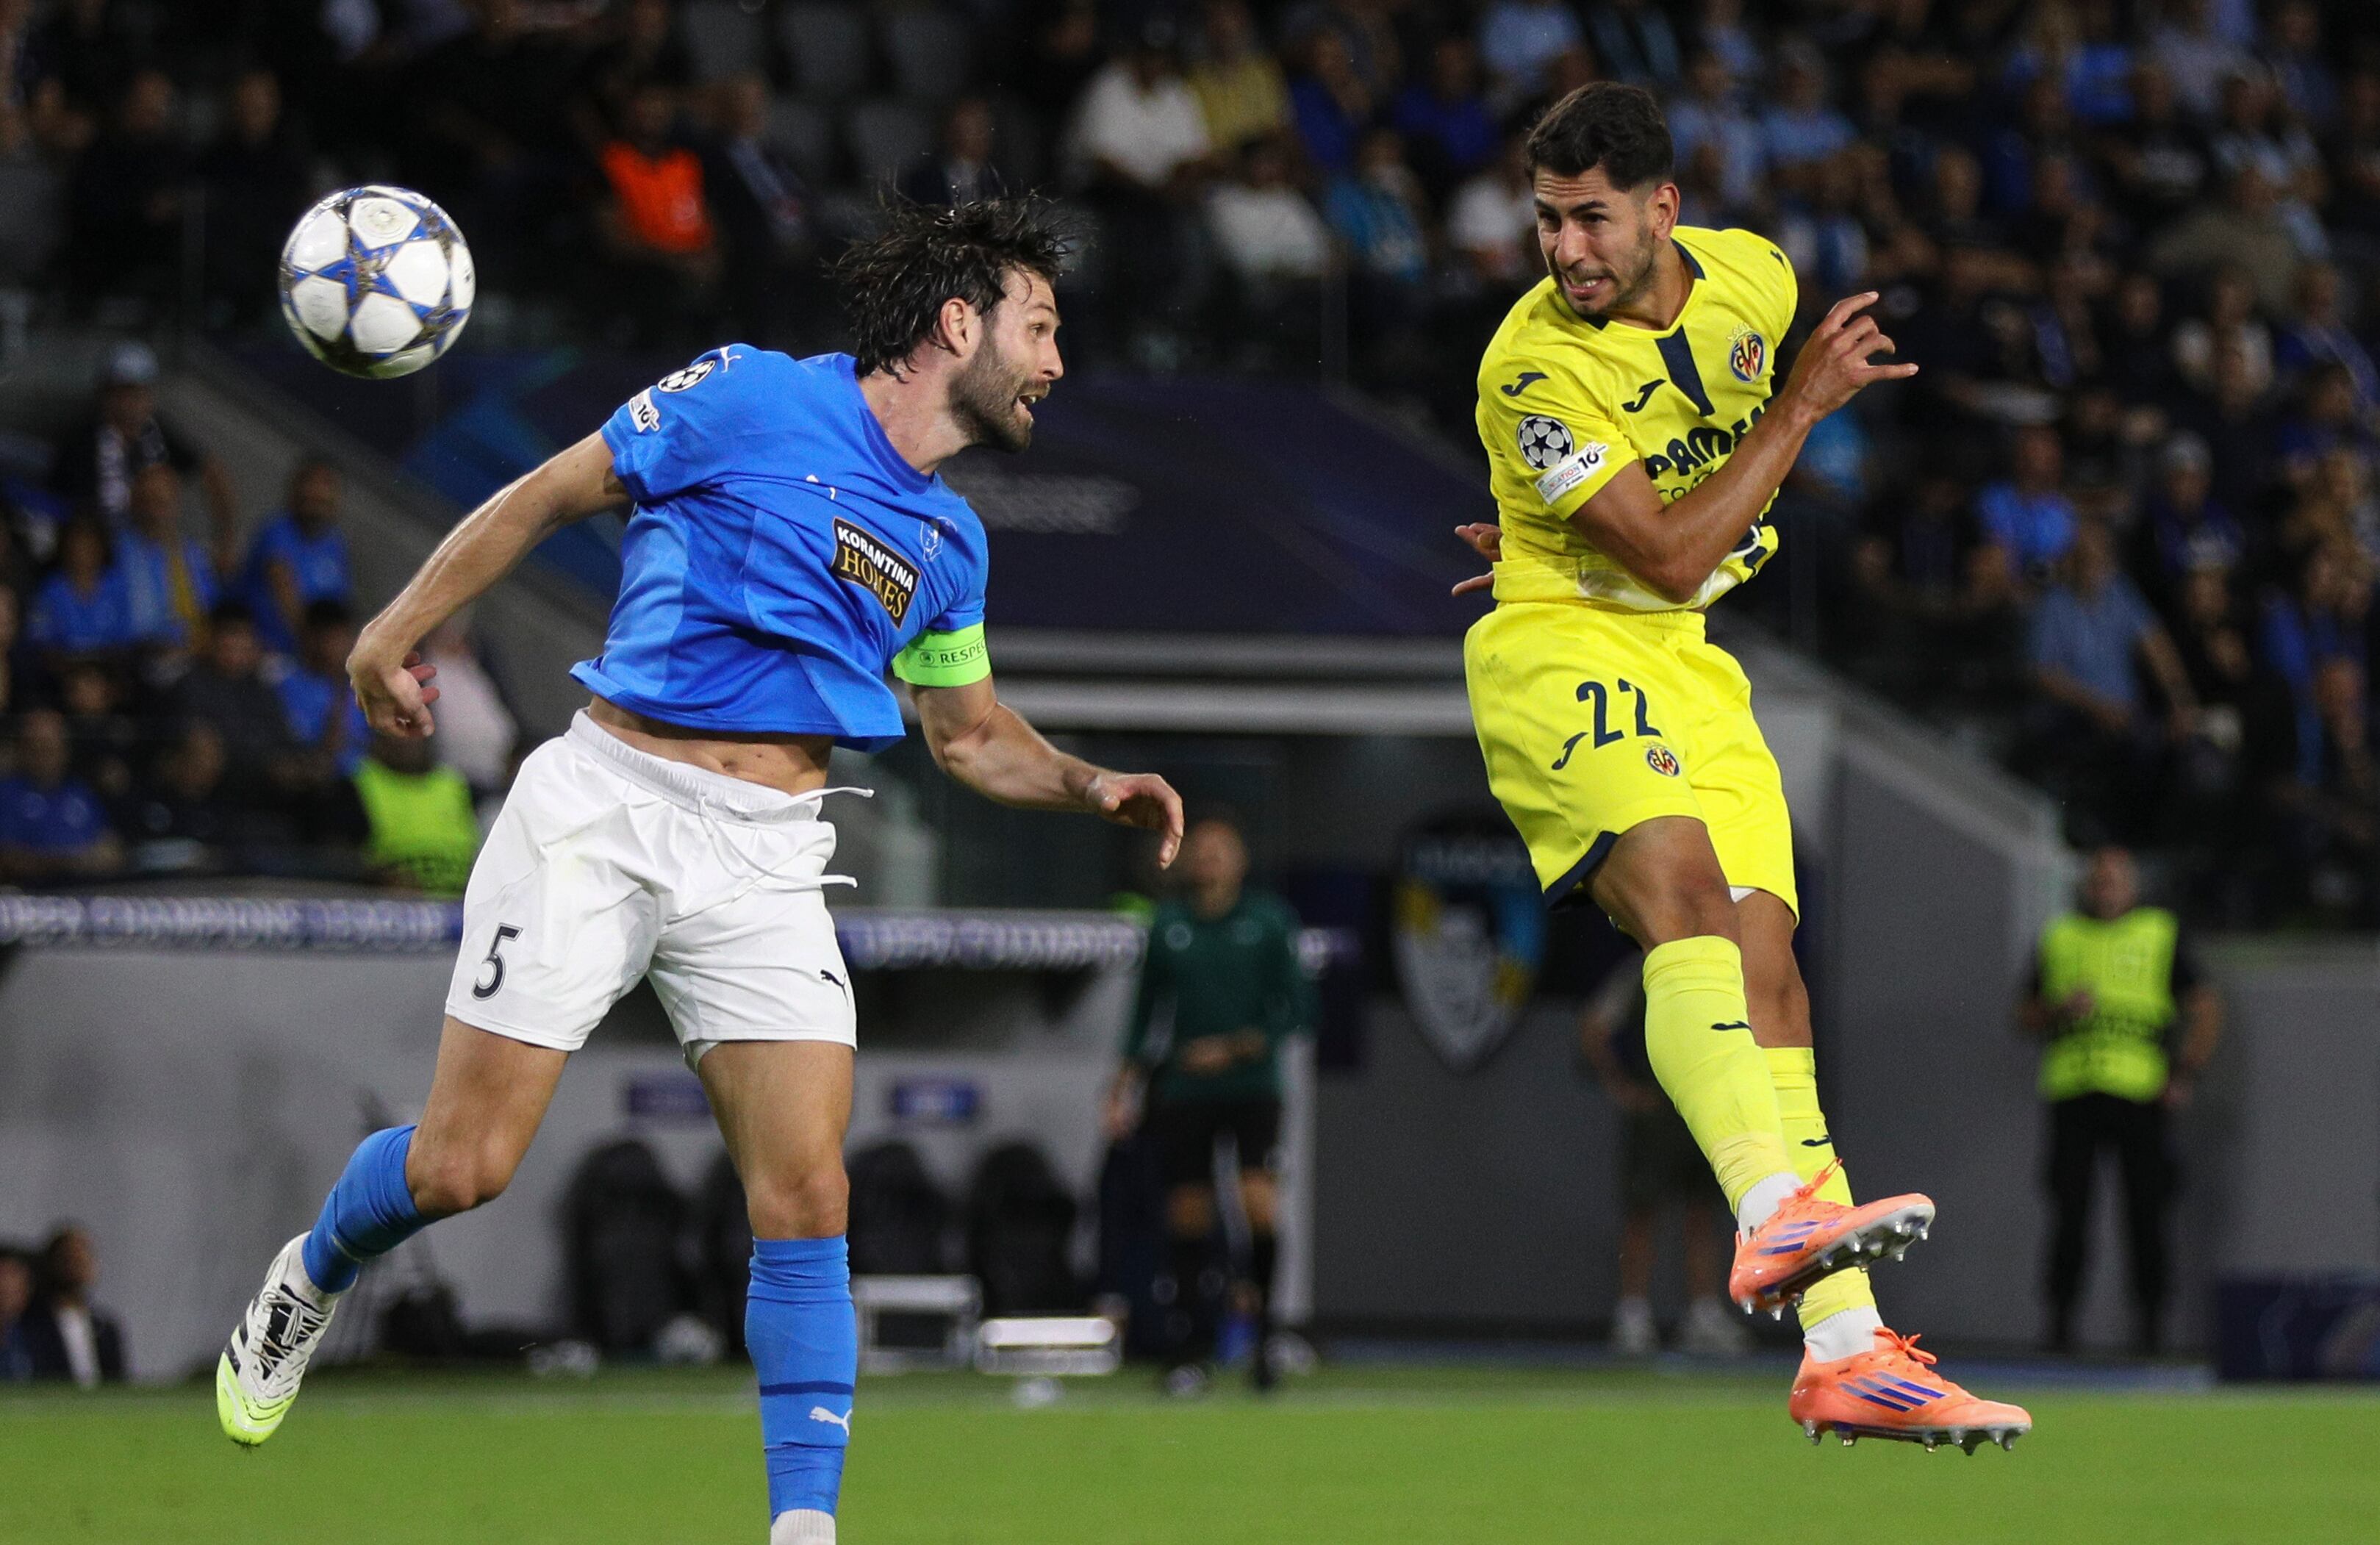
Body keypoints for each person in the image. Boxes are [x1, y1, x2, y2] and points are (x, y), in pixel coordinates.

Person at [213, 199, 1184, 1545]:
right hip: (604, 805)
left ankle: (803, 1529)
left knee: (809, 1193)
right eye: (1040, 326)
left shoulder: (950, 542)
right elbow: (550, 491)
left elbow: (964, 735)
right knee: (460, 1169)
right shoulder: (744, 395)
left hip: (773, 851)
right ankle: (310, 1274)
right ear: (958, 324)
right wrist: (393, 630)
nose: (1055, 361)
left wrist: (1086, 782)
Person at [1450, 83, 2029, 1449]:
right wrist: (1802, 412)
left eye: (1590, 217)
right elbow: (1662, 546)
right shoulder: (1526, 365)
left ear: (1664, 207)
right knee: (1683, 894)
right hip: (1558, 642)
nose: (1564, 249)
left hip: (1687, 660)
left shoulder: (1753, 279)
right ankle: (1770, 1217)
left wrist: (1571, 513)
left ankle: (1845, 1352)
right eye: (1544, 220)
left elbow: (1673, 519)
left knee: (1770, 968)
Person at [1103, 815, 1306, 1395]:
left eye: (1223, 850)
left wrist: (1240, 1046)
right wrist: (1124, 1085)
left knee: (1258, 1206)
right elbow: (1145, 1017)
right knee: (1188, 1214)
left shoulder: (1268, 923)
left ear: (1241, 860)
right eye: (1202, 850)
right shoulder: (1169, 927)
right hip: (1185, 1093)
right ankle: (1192, 1347)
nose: (1211, 859)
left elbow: (1296, 1006)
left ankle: (1266, 1339)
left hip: (1252, 1090)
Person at [2019, 845, 2220, 1355]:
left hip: (2139, 1093)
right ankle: (2060, 1325)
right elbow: (2024, 1013)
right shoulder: (2060, 936)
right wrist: (2059, 1010)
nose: (2106, 889)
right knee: (2069, 1212)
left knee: (2147, 1213)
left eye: (2115, 880)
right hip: (2074, 1091)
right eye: (2098, 880)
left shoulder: (2159, 933)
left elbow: (2205, 1007)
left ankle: (2150, 1327)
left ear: (2132, 885)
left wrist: (2186, 1072)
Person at [1577, 953, 1746, 1358]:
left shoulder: (1720, 970)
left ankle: (1704, 1315)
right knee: (1643, 1213)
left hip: (1703, 1111)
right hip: (1656, 1114)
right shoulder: (1638, 971)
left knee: (1703, 1213)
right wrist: (1623, 1087)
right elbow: (1593, 1027)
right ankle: (1633, 1316)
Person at [240, 459, 353, 657]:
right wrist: (316, 651)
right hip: (260, 650)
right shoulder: (277, 532)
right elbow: (284, 591)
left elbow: (339, 610)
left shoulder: (334, 544)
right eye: (311, 485)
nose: (317, 493)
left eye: (326, 485)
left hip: (307, 659)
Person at [21, 1225, 126, 1386]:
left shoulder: (105, 1328)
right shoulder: (30, 1326)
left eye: (83, 1258)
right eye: (69, 1258)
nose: (77, 1264)